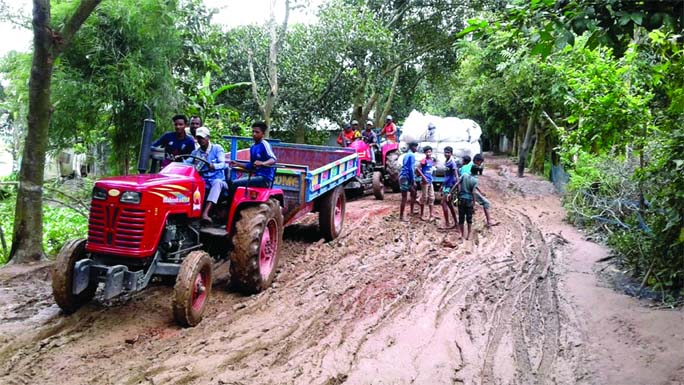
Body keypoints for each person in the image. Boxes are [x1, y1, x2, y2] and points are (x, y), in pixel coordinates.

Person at [184, 126, 227, 223]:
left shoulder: (217, 149)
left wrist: (214, 166)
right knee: (192, 184)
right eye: (198, 138)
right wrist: (179, 163)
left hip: (219, 181)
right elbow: (187, 162)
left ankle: (205, 213)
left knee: (217, 183)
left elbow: (223, 164)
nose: (201, 140)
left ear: (208, 138)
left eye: (203, 137)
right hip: (204, 181)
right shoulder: (196, 152)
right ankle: (190, 214)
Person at [228, 121, 277, 194]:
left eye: (257, 132)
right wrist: (237, 164)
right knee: (229, 182)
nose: (254, 134)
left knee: (234, 184)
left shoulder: (265, 144)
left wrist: (263, 163)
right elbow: (251, 165)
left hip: (264, 179)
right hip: (256, 177)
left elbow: (273, 159)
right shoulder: (253, 147)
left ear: (263, 134)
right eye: (253, 131)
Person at [460, 153, 497, 228]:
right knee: (486, 203)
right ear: (476, 161)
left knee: (463, 212)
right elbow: (469, 181)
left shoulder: (467, 167)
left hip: (465, 192)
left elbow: (470, 181)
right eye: (480, 162)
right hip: (469, 192)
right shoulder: (471, 168)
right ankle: (489, 222)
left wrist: (479, 191)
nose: (480, 164)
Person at [399, 141, 419, 222]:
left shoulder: (406, 155)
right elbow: (411, 168)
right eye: (415, 147)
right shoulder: (411, 155)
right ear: (412, 147)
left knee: (413, 192)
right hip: (405, 177)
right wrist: (413, 180)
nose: (416, 149)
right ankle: (401, 216)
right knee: (404, 197)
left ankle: (411, 211)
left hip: (404, 176)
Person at [440, 146, 458, 230]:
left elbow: (456, 175)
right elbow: (446, 175)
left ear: (451, 153)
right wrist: (442, 185)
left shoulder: (452, 163)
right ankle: (456, 222)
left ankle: (447, 223)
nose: (446, 154)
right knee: (449, 204)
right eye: (445, 152)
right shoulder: (446, 162)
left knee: (443, 203)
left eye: (448, 152)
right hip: (446, 185)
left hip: (450, 186)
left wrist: (457, 187)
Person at [416, 146, 435, 221]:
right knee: (424, 197)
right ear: (424, 153)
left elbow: (431, 169)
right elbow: (417, 168)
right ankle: (422, 214)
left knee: (432, 197)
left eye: (429, 152)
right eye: (427, 152)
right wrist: (423, 177)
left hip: (430, 181)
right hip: (425, 182)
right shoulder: (424, 160)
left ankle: (431, 214)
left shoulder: (431, 160)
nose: (428, 153)